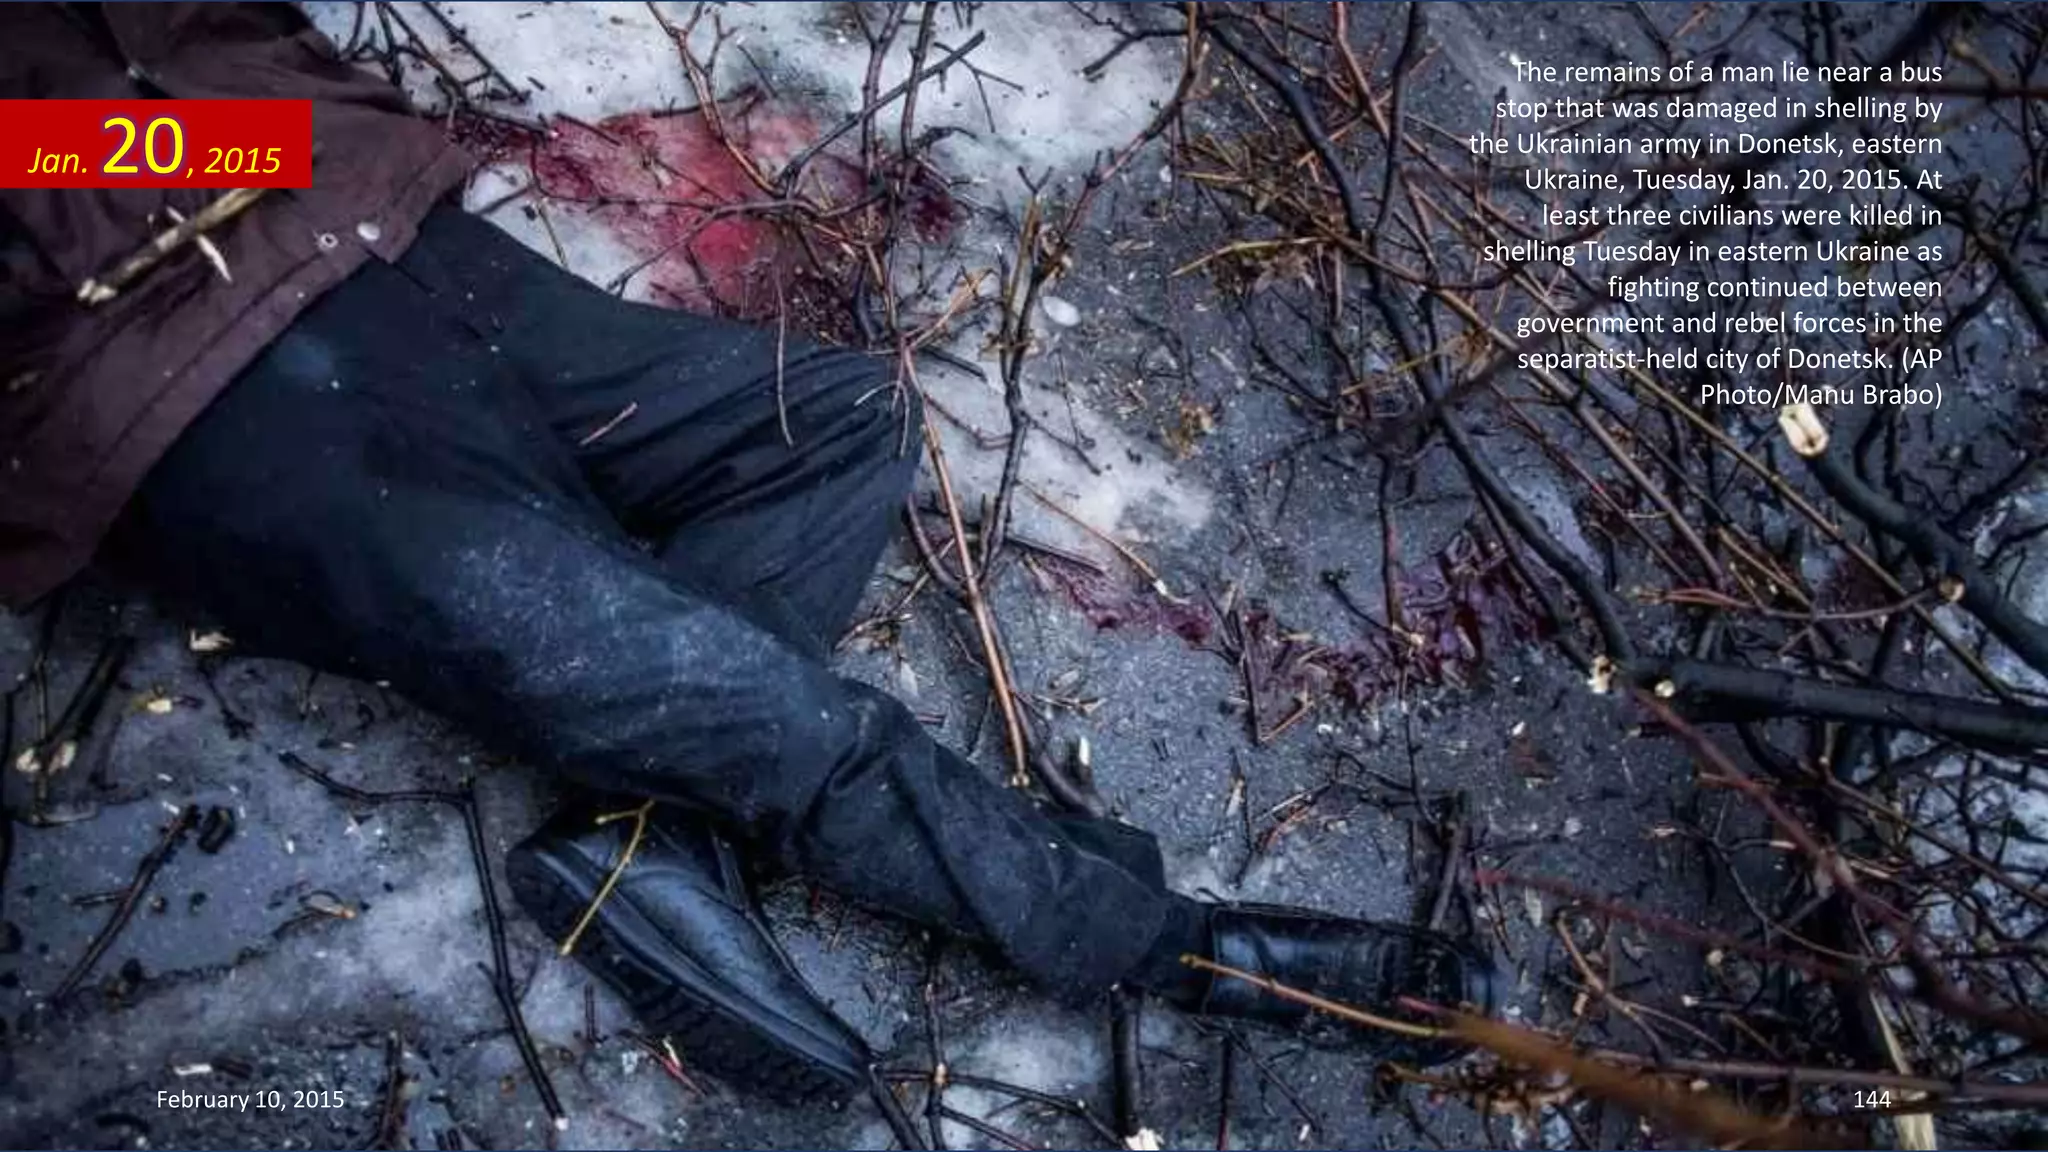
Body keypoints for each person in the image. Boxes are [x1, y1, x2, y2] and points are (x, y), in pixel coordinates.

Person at [2, 2, 1493, 1097]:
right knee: (743, 703)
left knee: (832, 421)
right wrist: (237, 148)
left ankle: (650, 846)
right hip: (173, 377)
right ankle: (1176, 947)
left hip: (381, 243)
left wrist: (305, 144)